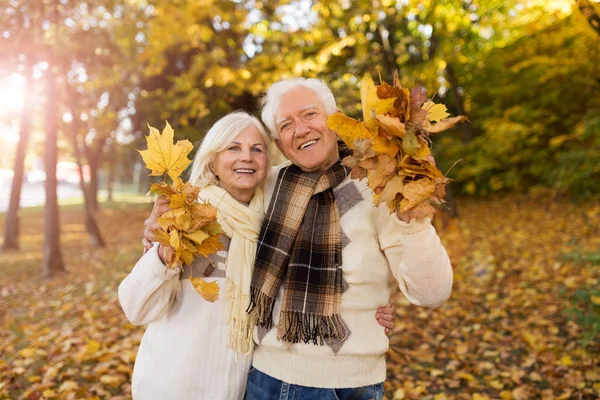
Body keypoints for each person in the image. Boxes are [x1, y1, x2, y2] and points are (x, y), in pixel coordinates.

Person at [121, 111, 395, 400]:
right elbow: (137, 309)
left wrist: (371, 309)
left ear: (268, 162)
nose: (246, 158)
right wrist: (162, 259)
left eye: (257, 149)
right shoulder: (185, 217)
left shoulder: (275, 227)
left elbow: (310, 283)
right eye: (233, 148)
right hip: (173, 386)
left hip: (243, 389)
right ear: (213, 161)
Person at [242, 78, 454, 400]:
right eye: (286, 125)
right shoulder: (266, 186)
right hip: (266, 380)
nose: (300, 129)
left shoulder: (380, 183)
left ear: (337, 119)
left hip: (349, 386)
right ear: (280, 144)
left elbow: (433, 293)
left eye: (310, 114)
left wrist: (413, 222)